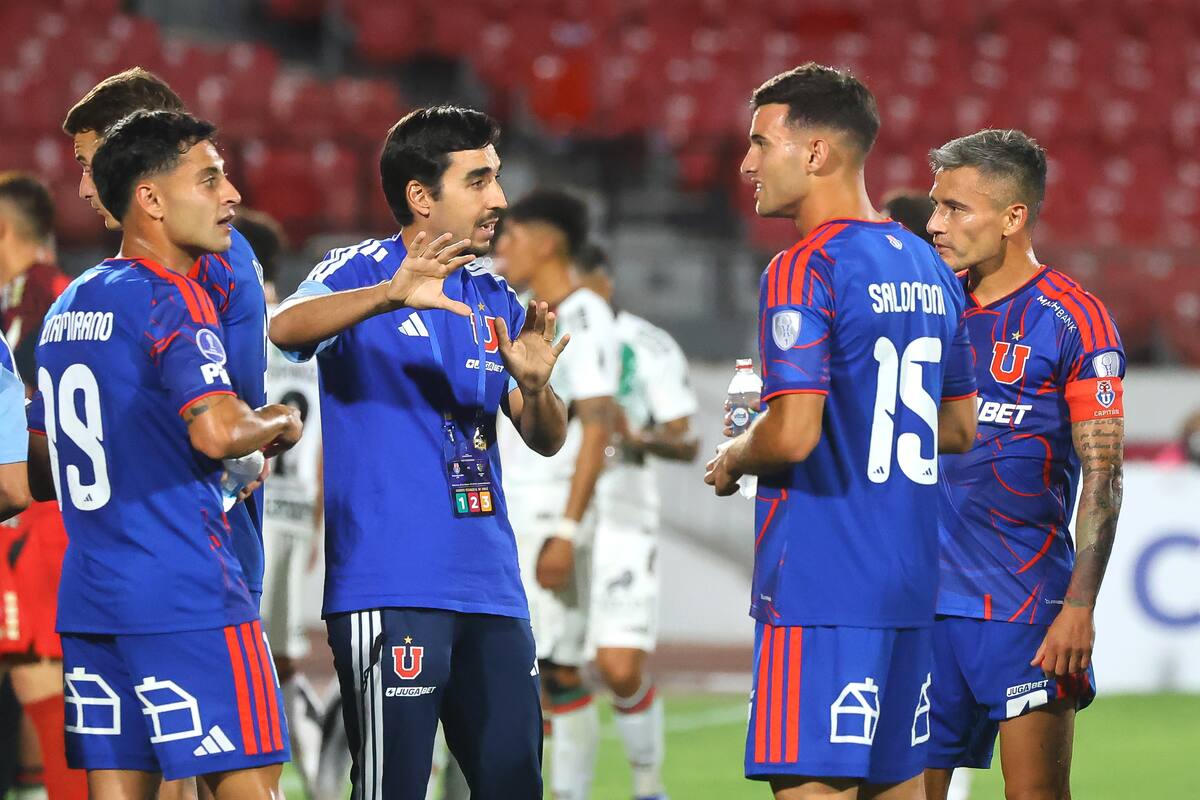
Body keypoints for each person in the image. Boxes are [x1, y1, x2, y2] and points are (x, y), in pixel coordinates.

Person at [269, 105, 571, 800]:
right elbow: (285, 327)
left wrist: (536, 388)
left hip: (492, 586)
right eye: (479, 180)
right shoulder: (360, 269)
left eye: (496, 177)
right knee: (392, 789)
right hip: (389, 584)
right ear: (420, 195)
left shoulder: (495, 297)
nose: (499, 198)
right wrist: (389, 296)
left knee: (515, 784)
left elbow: (546, 436)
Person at [703, 63, 978, 800]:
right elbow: (959, 427)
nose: (747, 163)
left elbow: (793, 435)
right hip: (909, 587)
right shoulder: (930, 267)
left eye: (762, 142)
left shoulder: (804, 267)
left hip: (821, 589)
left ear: (817, 152)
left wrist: (736, 453)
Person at [24, 109, 303, 799]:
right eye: (209, 180)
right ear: (149, 198)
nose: (231, 195)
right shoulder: (171, 296)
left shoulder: (68, 305)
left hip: (91, 598)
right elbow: (217, 432)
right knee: (250, 786)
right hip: (185, 589)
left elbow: (39, 468)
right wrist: (278, 419)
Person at [922, 129, 1125, 800]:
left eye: (954, 207)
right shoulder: (929, 308)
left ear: (1013, 217)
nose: (934, 223)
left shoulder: (1074, 320)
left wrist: (1079, 607)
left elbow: (1104, 475)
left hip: (1025, 605)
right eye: (936, 205)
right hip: (921, 600)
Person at [63, 67, 270, 609]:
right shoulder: (179, 260)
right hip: (164, 541)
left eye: (90, 164)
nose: (86, 186)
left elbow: (220, 420)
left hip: (194, 541)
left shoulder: (195, 258)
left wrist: (271, 427)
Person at [494, 190, 619, 800]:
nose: (501, 248)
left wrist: (567, 530)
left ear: (546, 243)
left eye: (512, 236)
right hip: (511, 508)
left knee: (556, 667)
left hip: (549, 515)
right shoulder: (514, 308)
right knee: (516, 665)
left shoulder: (586, 315)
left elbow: (597, 424)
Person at [576, 243, 698, 800]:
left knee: (618, 666)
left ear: (603, 282)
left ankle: (648, 787)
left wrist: (635, 435)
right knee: (551, 668)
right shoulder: (539, 332)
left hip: (623, 517)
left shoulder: (647, 345)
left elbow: (685, 440)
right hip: (549, 514)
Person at [0, 173, 87, 800]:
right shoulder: (63, 295)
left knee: (40, 670)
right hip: (55, 505)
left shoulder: (36, 304)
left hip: (37, 510)